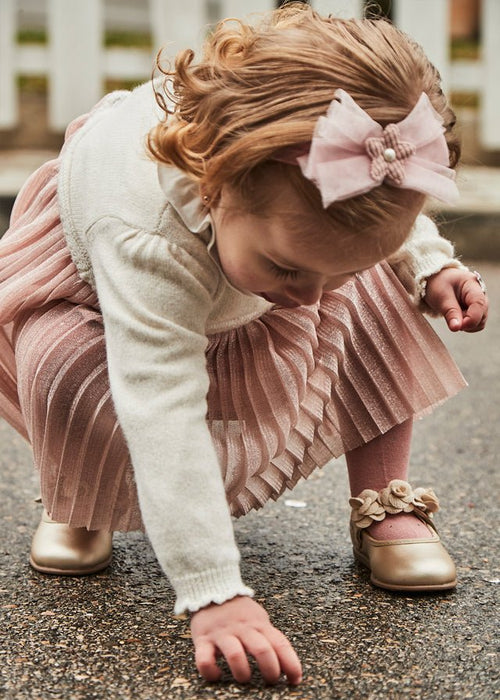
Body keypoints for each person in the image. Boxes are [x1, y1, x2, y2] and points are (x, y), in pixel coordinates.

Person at [0, 2, 489, 686]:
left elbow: (367, 213)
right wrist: (214, 592)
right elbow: (161, 405)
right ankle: (82, 500)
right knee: (67, 367)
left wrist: (428, 260)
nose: (313, 297)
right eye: (289, 268)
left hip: (250, 244)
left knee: (379, 289)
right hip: (107, 295)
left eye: (331, 270)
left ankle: (386, 500)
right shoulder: (142, 234)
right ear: (216, 180)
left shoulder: (322, 197)